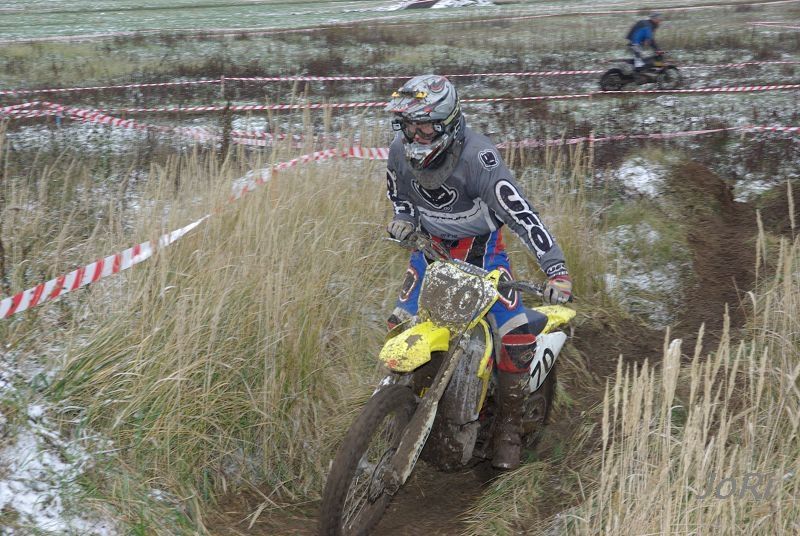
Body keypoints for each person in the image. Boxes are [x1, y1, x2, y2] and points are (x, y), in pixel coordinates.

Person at [383, 74, 572, 470]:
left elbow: (521, 214)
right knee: (399, 324)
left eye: (426, 125)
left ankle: (508, 429)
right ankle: (396, 410)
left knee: (515, 335)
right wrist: (404, 219)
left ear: (449, 122)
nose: (416, 134)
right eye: (409, 125)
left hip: (483, 256)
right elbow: (400, 196)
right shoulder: (399, 151)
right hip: (428, 251)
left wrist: (556, 269)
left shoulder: (478, 159)